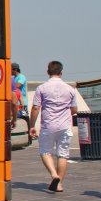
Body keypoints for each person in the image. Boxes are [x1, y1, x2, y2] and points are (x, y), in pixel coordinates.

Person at [29, 61, 79, 193]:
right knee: (63, 154)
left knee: (45, 151)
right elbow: (74, 110)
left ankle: (53, 174)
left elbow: (35, 108)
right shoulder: (70, 89)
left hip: (48, 125)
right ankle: (59, 184)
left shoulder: (41, 88)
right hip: (65, 126)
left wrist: (32, 125)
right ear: (61, 73)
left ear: (48, 72)